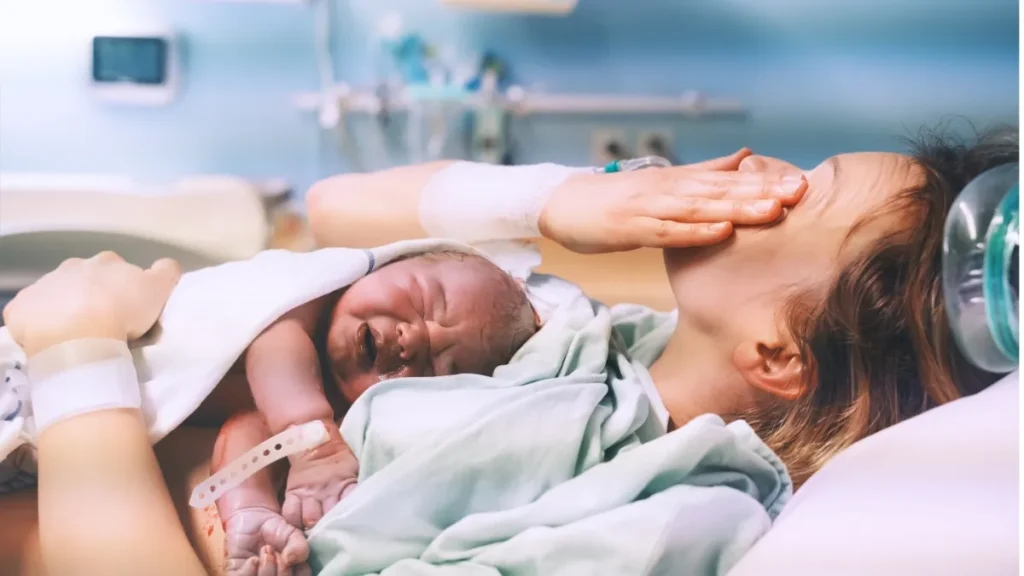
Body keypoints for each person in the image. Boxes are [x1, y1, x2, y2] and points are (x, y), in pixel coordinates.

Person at [306, 126, 1016, 485]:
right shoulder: (600, 337)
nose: (756, 165)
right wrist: (559, 199)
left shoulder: (637, 495)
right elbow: (331, 211)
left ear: (778, 352)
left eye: (801, 188)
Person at [213, 250, 537, 575]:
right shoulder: (309, 302)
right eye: (424, 299)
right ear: (389, 262)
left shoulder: (350, 410)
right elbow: (274, 351)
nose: (414, 339)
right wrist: (316, 451)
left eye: (435, 368)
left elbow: (247, 430)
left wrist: (250, 508)